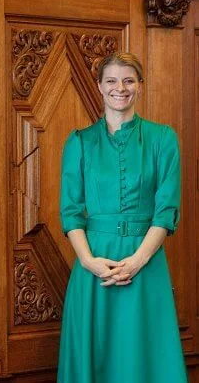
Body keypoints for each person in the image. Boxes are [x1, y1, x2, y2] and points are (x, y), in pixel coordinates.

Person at [58, 51, 187, 382]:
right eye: (112, 81)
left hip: (146, 263)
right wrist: (88, 261)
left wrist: (138, 261)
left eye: (129, 80)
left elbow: (166, 210)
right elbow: (70, 212)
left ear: (140, 86)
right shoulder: (80, 142)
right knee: (96, 355)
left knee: (144, 355)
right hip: (94, 264)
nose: (120, 88)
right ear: (100, 87)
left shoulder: (163, 139)